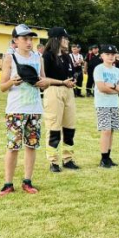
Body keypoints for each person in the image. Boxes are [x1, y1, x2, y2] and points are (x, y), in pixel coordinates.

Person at [0, 24, 50, 197]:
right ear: (15, 41)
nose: (29, 42)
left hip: (34, 109)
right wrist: (13, 82)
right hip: (16, 110)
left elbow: (43, 80)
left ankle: (27, 181)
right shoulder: (10, 58)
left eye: (31, 38)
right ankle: (8, 184)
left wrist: (44, 83)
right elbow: (2, 87)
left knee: (31, 146)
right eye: (25, 38)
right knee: (13, 147)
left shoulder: (38, 57)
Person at [42, 27, 79, 173]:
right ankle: (54, 161)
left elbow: (68, 74)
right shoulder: (47, 56)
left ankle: (68, 159)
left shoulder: (67, 56)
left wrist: (71, 81)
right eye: (66, 38)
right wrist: (62, 82)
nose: (68, 41)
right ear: (57, 39)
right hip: (53, 91)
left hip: (68, 91)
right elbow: (44, 79)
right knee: (54, 126)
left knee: (69, 127)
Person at [93, 44, 119, 168]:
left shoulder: (117, 71)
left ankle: (108, 156)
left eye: (113, 54)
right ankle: (103, 158)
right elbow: (102, 88)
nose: (111, 57)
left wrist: (113, 86)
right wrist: (118, 89)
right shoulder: (99, 69)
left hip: (114, 104)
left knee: (112, 131)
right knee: (106, 130)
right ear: (102, 55)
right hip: (103, 104)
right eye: (107, 54)